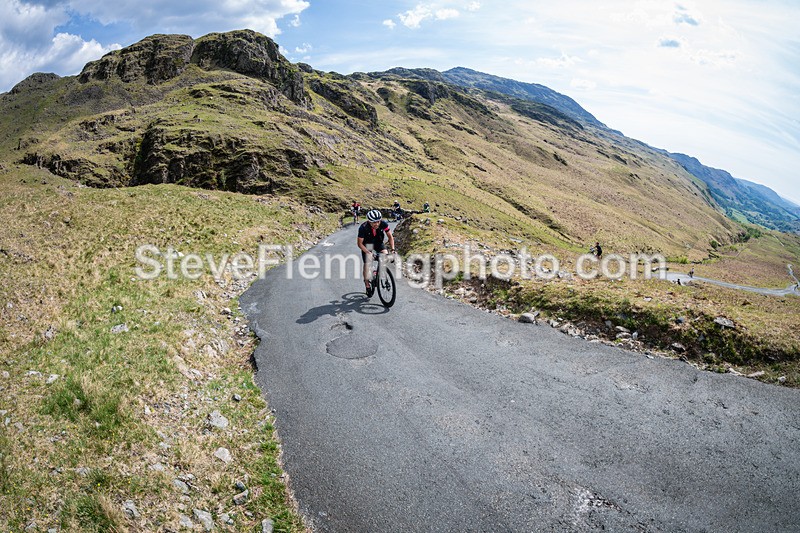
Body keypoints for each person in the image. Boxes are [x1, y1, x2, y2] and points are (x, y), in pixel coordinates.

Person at [358, 210, 396, 294]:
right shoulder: (363, 228)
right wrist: (368, 253)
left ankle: (380, 271)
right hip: (367, 245)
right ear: (369, 221)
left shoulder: (383, 224)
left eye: (378, 221)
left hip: (378, 242)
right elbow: (359, 244)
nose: (377, 224)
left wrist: (393, 250)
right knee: (367, 264)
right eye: (374, 222)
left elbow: (390, 237)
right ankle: (367, 284)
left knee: (385, 255)